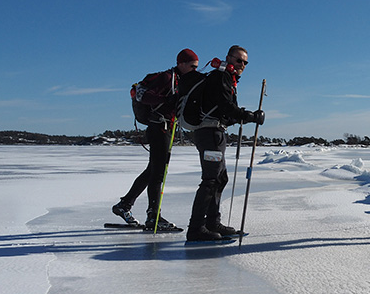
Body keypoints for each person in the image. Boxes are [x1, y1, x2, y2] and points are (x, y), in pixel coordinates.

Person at [112, 48, 199, 231]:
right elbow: (144, 96)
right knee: (158, 172)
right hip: (159, 128)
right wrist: (169, 100)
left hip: (166, 128)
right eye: (192, 66)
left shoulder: (181, 80)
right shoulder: (167, 78)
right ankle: (153, 216)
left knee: (153, 170)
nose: (194, 70)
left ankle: (125, 205)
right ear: (181, 63)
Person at [186, 45, 265, 241]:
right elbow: (226, 107)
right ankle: (196, 228)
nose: (242, 65)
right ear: (228, 58)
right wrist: (250, 116)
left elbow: (223, 110)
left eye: (245, 62)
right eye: (239, 60)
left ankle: (213, 223)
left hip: (215, 134)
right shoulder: (221, 77)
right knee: (211, 180)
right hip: (210, 135)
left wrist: (242, 117)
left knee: (220, 179)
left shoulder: (226, 78)